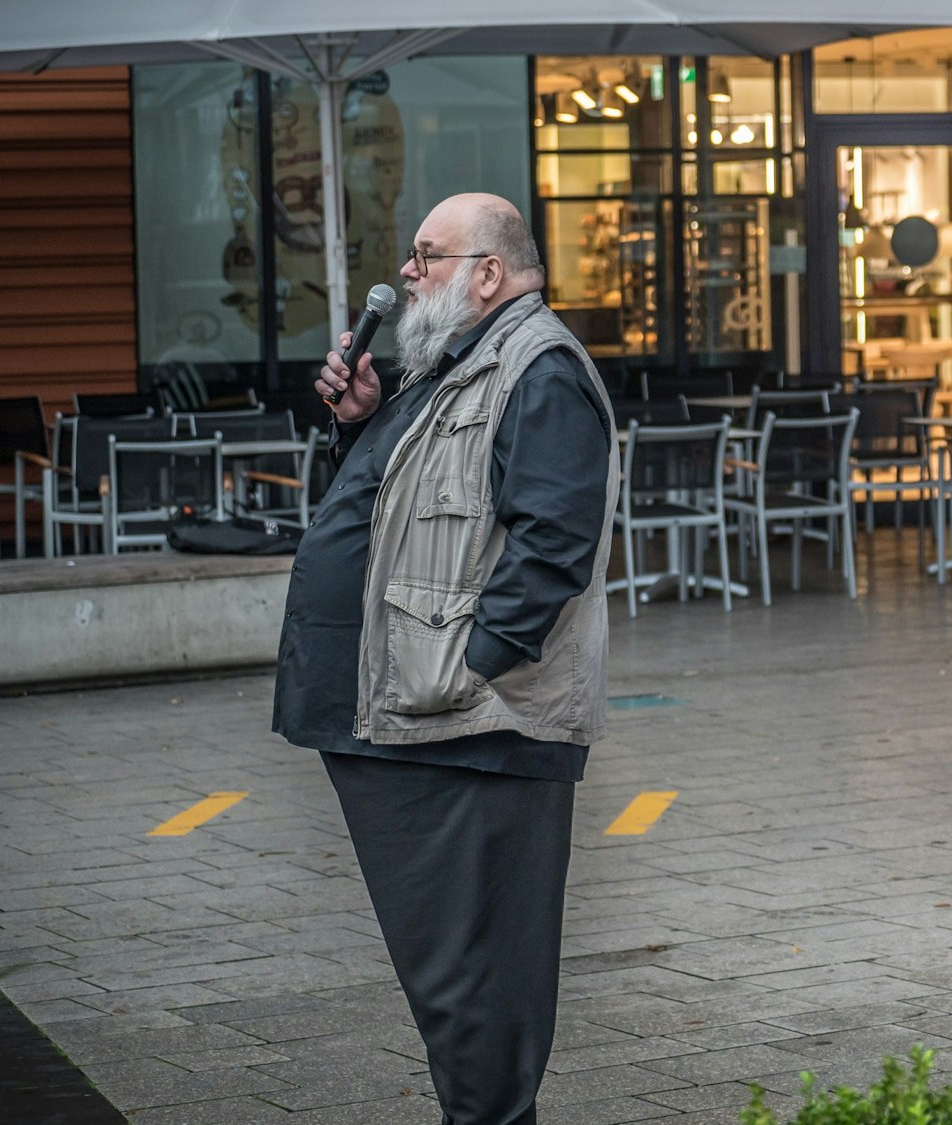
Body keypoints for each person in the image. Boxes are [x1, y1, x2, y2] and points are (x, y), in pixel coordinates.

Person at [271, 193, 617, 1125]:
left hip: (472, 730)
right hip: (422, 722)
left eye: (427, 255)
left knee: (478, 984)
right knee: (452, 982)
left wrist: (471, 662)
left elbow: (554, 540)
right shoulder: (460, 361)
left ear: (489, 273)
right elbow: (408, 505)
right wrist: (362, 421)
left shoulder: (538, 368)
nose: (408, 272)